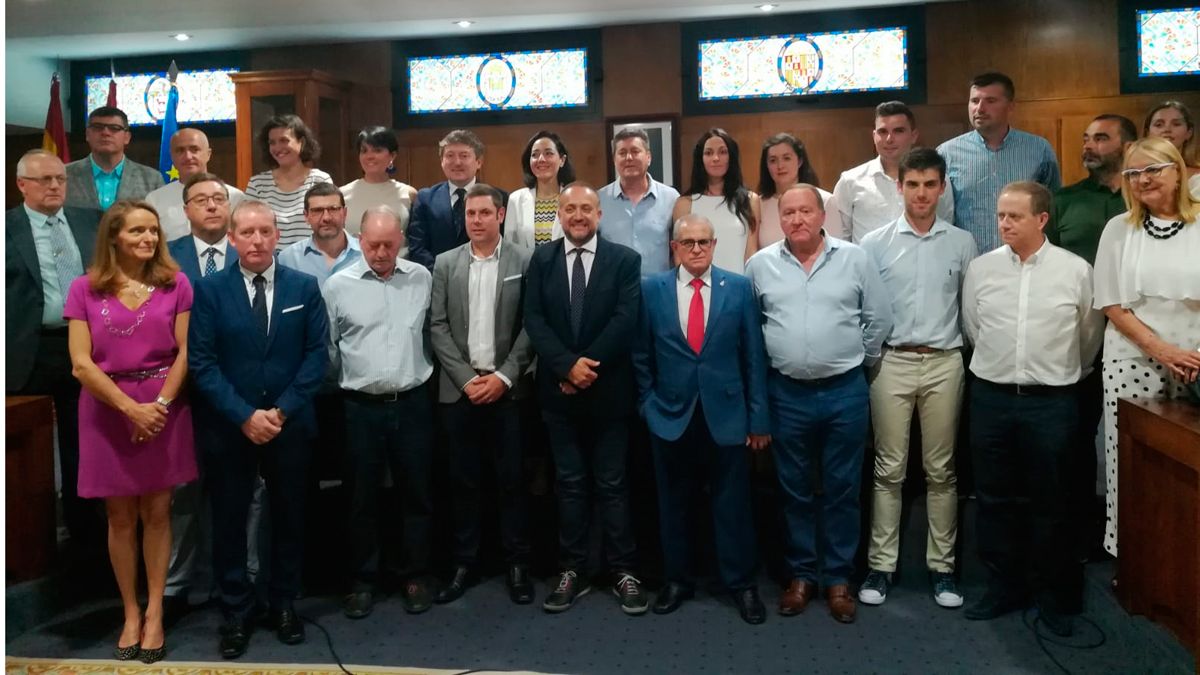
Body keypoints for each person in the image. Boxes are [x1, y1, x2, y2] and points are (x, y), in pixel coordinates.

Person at [744, 185, 893, 624]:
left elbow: (878, 318)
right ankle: (802, 576)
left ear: (822, 213)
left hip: (844, 391)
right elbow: (752, 331)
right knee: (793, 491)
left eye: (805, 211)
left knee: (843, 490)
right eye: (788, 213)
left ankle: (839, 580)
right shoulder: (760, 265)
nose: (796, 220)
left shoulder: (855, 258)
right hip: (786, 393)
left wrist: (855, 361)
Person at [961, 181, 1103, 637]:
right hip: (992, 399)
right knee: (995, 499)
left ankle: (1055, 595)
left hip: (1053, 402)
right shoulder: (981, 269)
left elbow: (1088, 338)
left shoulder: (1076, 271)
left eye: (1014, 216)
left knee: (1053, 502)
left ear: (1042, 219)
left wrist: (1055, 374)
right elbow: (973, 328)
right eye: (1001, 215)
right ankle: (1003, 586)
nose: (1003, 223)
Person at [188, 201, 328, 659]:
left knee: (290, 517)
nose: (256, 240)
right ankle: (236, 611)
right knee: (228, 520)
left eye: (265, 232)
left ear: (276, 236)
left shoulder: (304, 288)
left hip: (289, 425)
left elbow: (316, 358)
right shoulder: (208, 291)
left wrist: (281, 412)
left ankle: (283, 603)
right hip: (231, 428)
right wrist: (245, 415)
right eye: (246, 232)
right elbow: (203, 364)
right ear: (231, 238)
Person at [64, 200, 196, 664]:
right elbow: (81, 363)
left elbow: (185, 352)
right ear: (114, 236)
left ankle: (157, 610)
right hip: (106, 410)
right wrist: (130, 410)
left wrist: (156, 407)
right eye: (138, 231)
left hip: (164, 407)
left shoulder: (175, 283)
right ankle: (130, 612)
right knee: (120, 518)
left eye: (153, 232)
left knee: (159, 512)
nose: (148, 239)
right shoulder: (84, 288)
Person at [632, 213, 770, 625]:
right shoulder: (651, 290)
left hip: (727, 415)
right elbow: (641, 355)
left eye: (703, 242)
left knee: (733, 506)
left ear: (713, 246)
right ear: (674, 247)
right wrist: (647, 405)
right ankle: (677, 581)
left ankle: (741, 585)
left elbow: (753, 358)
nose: (696, 249)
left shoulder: (740, 288)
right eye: (687, 242)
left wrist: (758, 418)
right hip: (669, 415)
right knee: (674, 504)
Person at [857, 148, 978, 609]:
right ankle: (881, 566)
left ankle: (942, 569)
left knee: (941, 471)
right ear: (900, 187)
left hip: (945, 362)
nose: (922, 193)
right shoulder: (875, 243)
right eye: (913, 184)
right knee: (888, 469)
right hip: (892, 363)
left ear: (942, 188)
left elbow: (970, 310)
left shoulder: (962, 243)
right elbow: (867, 310)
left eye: (930, 184)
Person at [523, 183, 647, 615]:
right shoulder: (541, 260)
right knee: (570, 485)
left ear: (599, 215)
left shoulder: (625, 261)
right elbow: (534, 319)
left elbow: (626, 319)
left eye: (586, 209)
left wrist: (585, 367)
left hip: (608, 392)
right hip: (558, 394)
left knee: (613, 484)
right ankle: (571, 569)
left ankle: (623, 570)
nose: (578, 215)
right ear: (559, 213)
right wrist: (564, 367)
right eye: (570, 208)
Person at [324, 205, 436, 619]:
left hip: (412, 402)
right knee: (360, 497)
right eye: (373, 244)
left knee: (417, 493)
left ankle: (415, 575)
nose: (382, 252)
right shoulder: (337, 286)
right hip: (359, 407)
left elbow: (430, 334)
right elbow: (330, 350)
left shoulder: (421, 278)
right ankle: (363, 580)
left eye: (390, 244)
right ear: (360, 238)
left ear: (402, 241)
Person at [1093, 137, 1200, 560]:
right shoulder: (1118, 230)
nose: (1143, 180)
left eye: (1152, 169)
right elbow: (1112, 304)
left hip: (1195, 361)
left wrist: (1186, 353)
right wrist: (1162, 350)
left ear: (1178, 171)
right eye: (1133, 174)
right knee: (1132, 465)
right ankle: (1135, 561)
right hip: (1133, 359)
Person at [429, 185, 536, 606]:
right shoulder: (445, 263)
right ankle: (464, 563)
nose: (476, 220)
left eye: (484, 213)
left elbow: (532, 324)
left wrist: (504, 377)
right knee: (462, 483)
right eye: (471, 214)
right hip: (460, 393)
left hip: (508, 391)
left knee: (513, 482)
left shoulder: (524, 261)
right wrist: (465, 379)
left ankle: (517, 564)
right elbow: (437, 325)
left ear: (501, 214)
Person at [7, 149, 104, 569]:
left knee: (83, 444)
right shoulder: (7, 227)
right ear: (22, 185)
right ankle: (28, 543)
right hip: (25, 351)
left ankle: (87, 541)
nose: (54, 187)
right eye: (44, 180)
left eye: (60, 180)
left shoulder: (90, 221)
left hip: (84, 347)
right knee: (26, 452)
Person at [1046, 114, 1136, 561]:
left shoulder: (1145, 197)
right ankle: (1082, 534)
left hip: (1139, 337)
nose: (1089, 146)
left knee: (1135, 436)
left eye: (1101, 138)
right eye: (1086, 138)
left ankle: (1136, 535)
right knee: (1077, 437)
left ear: (1127, 145)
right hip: (1079, 335)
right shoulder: (1065, 201)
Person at [937, 72, 1061, 252]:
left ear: (1011, 106)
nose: (979, 108)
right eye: (974, 101)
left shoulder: (1039, 150)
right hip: (969, 262)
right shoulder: (947, 154)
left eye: (990, 101)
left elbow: (1053, 208)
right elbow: (941, 215)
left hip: (1025, 261)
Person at [833, 101, 953, 242]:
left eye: (898, 131)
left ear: (914, 136)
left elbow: (946, 226)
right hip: (868, 263)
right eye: (882, 132)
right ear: (874, 136)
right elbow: (840, 239)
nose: (889, 139)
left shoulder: (937, 180)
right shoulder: (850, 181)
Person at [408, 129, 507, 269]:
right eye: (450, 156)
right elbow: (417, 248)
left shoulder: (500, 197)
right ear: (442, 161)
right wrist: (442, 275)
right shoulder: (425, 199)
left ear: (479, 162)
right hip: (437, 280)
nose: (457, 162)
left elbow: (505, 244)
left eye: (464, 156)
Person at [672, 128, 761, 273]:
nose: (715, 158)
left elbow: (752, 252)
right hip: (697, 288)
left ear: (731, 157)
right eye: (708, 153)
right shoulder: (685, 203)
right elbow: (679, 255)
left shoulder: (750, 200)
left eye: (722, 152)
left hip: (738, 284)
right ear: (700, 159)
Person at [598, 128, 680, 277]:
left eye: (635, 151)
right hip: (614, 294)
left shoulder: (671, 198)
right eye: (622, 153)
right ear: (614, 159)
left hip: (658, 292)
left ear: (648, 157)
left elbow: (681, 249)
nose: (628, 157)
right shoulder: (599, 200)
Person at [244, 114, 333, 250]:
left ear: (301, 142)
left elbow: (329, 226)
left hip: (311, 261)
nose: (277, 148)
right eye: (272, 143)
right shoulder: (257, 184)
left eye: (284, 140)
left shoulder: (320, 180)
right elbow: (247, 228)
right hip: (269, 264)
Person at [145, 128, 245, 240]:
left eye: (194, 149)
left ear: (208, 154)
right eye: (180, 150)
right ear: (172, 156)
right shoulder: (154, 200)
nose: (188, 156)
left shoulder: (235, 197)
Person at [65, 106, 164, 211]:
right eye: (98, 127)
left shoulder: (152, 179)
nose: (105, 133)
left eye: (114, 128)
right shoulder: (64, 175)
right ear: (87, 135)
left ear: (127, 137)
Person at [756, 132, 846, 244]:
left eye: (786, 158)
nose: (780, 166)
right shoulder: (758, 204)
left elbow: (836, 247)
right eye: (773, 160)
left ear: (799, 161)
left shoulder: (825, 200)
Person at [276, 183, 362, 286]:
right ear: (306, 216)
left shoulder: (365, 254)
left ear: (344, 213)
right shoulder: (288, 259)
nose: (326, 218)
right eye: (317, 210)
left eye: (333, 209)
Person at [340, 126, 418, 236]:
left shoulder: (409, 194)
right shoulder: (342, 194)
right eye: (364, 151)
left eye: (377, 150)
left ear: (392, 155)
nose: (369, 156)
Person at [505, 130, 574, 250]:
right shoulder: (516, 200)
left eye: (548, 153)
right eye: (535, 155)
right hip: (528, 268)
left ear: (562, 160)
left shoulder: (574, 197)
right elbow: (510, 247)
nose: (541, 159)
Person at [1143, 100, 1200, 196]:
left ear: (1189, 133)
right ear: (1147, 133)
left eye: (1176, 124)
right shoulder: (1136, 175)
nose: (1167, 129)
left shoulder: (1198, 178)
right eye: (1159, 125)